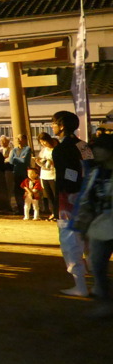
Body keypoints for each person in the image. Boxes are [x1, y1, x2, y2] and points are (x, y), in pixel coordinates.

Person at [71, 133, 113, 318]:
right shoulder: (95, 173)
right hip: (100, 224)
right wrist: (83, 224)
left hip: (102, 223)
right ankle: (106, 303)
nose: (95, 151)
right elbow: (87, 200)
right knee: (96, 265)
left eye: (100, 147)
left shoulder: (96, 172)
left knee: (97, 264)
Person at [51, 111, 86, 297]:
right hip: (89, 197)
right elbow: (89, 167)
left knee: (71, 241)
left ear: (62, 126)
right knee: (88, 242)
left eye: (54, 123)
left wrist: (71, 188)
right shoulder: (83, 145)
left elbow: (69, 173)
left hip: (70, 198)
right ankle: (96, 283)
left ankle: (80, 284)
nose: (52, 126)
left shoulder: (61, 149)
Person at [9, 135, 32, 212]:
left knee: (25, 190)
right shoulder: (14, 150)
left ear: (25, 140)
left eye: (20, 138)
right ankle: (20, 208)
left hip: (24, 172)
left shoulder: (27, 149)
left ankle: (27, 208)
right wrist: (19, 158)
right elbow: (11, 161)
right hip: (16, 172)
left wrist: (15, 158)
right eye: (17, 138)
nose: (18, 140)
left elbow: (24, 161)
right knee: (17, 191)